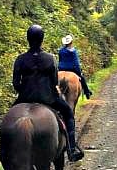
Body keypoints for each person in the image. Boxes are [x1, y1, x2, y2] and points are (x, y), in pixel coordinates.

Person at [12, 24, 84, 162]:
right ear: (42, 39)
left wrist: (26, 92)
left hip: (24, 99)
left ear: (28, 39)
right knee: (68, 113)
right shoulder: (50, 58)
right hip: (48, 99)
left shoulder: (20, 59)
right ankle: (72, 149)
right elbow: (54, 83)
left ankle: (6, 153)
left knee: (7, 120)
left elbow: (16, 84)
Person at [58, 34, 92, 99]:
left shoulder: (61, 50)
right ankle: (87, 92)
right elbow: (76, 63)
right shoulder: (73, 51)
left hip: (61, 69)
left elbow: (60, 61)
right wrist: (79, 72)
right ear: (71, 42)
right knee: (82, 78)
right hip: (72, 69)